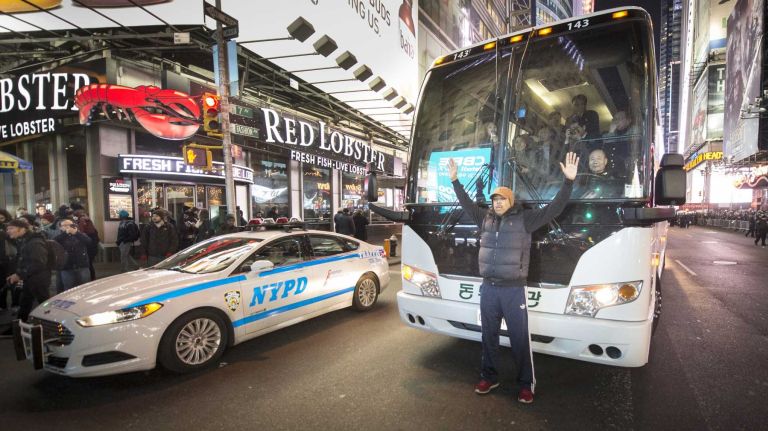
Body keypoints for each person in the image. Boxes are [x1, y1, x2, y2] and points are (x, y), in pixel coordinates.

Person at [447, 151, 579, 404]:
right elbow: (465, 203)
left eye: (501, 199)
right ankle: (489, 376)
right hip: (489, 289)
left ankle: (525, 384)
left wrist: (568, 182)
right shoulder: (484, 218)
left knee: (519, 339)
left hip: (513, 290)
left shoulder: (525, 220)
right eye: (494, 199)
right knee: (488, 337)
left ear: (510, 201)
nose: (496, 203)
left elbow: (555, 208)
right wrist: (455, 181)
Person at [5, 218, 50, 322]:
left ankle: (55, 329)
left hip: (39, 280)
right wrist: (18, 273)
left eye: (11, 228)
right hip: (30, 278)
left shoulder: (34, 242)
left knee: (45, 304)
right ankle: (19, 326)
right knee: (25, 302)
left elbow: (39, 263)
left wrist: (19, 275)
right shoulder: (24, 240)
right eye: (7, 229)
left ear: (22, 229)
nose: (8, 231)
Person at [54, 219, 92, 292]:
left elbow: (89, 242)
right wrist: (65, 233)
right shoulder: (59, 236)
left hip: (82, 265)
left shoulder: (80, 234)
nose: (68, 227)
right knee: (69, 289)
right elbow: (54, 242)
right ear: (60, 227)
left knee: (85, 288)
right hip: (66, 267)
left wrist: (76, 233)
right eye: (65, 225)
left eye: (70, 225)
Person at [73, 208, 100, 281]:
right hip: (93, 246)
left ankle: (89, 280)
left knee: (87, 265)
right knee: (90, 264)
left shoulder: (82, 221)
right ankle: (92, 278)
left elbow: (80, 233)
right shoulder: (88, 221)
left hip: (88, 247)